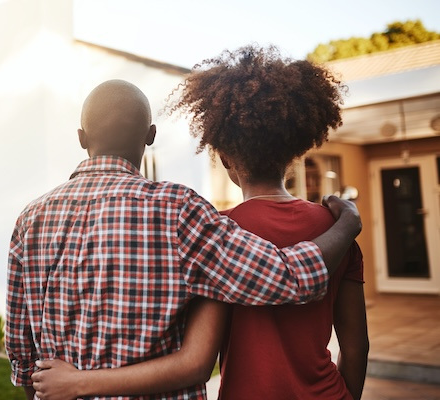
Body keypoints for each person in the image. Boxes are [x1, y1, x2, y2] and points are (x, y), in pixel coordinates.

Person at [30, 47, 369, 400]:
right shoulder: (335, 234)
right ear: (294, 151)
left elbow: (197, 359)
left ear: (223, 158)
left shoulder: (218, 229)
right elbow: (357, 347)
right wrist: (347, 223)